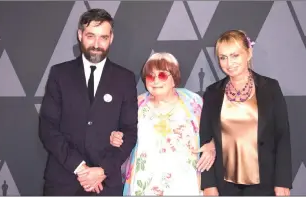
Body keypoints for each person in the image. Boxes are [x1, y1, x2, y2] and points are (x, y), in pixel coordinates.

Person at [39, 9, 138, 196]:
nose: (96, 44)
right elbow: (47, 127)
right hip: (63, 181)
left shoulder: (125, 78)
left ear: (111, 38)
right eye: (90, 36)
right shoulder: (59, 74)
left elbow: (130, 132)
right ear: (80, 35)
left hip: (106, 184)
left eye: (103, 37)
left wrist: (102, 170)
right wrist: (81, 168)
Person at [200, 30, 292, 196]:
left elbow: (282, 136)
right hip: (224, 184)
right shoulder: (212, 93)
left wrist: (282, 182)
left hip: (264, 182)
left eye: (235, 55)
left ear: (248, 53)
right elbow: (205, 139)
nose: (229, 63)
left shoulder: (270, 88)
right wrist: (208, 185)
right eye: (223, 57)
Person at [110, 52, 216, 195]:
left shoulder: (193, 102)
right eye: (150, 76)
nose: (155, 81)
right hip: (145, 186)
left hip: (185, 184)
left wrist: (213, 144)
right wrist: (116, 137)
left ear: (174, 78)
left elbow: (213, 132)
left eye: (162, 75)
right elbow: (124, 135)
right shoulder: (137, 105)